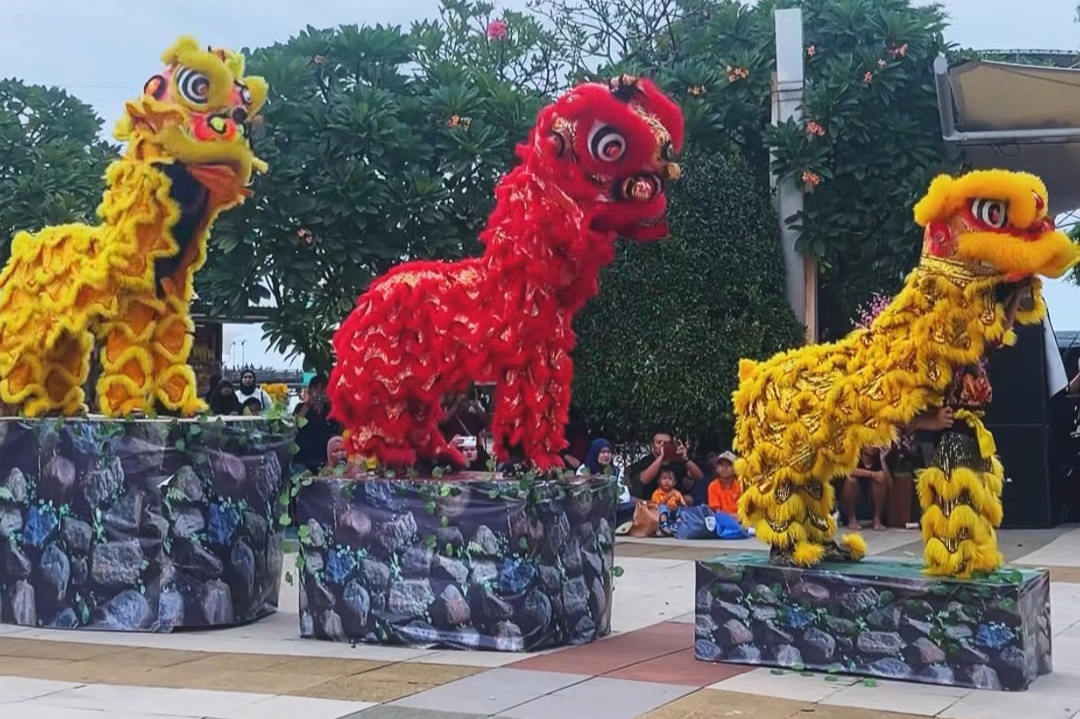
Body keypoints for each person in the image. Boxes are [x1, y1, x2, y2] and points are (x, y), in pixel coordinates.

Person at [626, 431, 703, 500]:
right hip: (651, 502)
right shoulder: (646, 461)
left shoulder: (677, 461)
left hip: (674, 502)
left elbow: (699, 476)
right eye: (659, 442)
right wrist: (661, 457)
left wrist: (685, 458)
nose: (662, 445)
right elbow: (644, 480)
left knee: (688, 499)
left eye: (666, 443)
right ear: (653, 445)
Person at [293, 375, 339, 474]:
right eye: (316, 389)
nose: (319, 393)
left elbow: (336, 433)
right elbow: (295, 426)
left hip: (324, 461)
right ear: (309, 391)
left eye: (323, 389)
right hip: (302, 460)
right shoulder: (300, 407)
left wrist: (330, 405)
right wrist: (308, 405)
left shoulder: (331, 410)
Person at [842, 446, 892, 531]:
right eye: (869, 443)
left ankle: (877, 519)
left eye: (875, 443)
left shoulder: (880, 457)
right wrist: (872, 474)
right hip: (855, 497)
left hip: (873, 498)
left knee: (881, 478)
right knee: (851, 481)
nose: (872, 446)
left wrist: (883, 460)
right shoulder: (854, 454)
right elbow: (848, 471)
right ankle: (852, 519)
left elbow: (890, 485)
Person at [651, 466, 691, 535]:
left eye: (670, 479)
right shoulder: (656, 493)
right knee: (662, 507)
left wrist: (679, 503)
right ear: (659, 481)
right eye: (664, 478)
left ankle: (677, 526)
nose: (667, 481)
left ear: (674, 482)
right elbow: (656, 506)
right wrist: (668, 496)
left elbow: (684, 506)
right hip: (661, 517)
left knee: (681, 510)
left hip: (673, 515)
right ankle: (664, 525)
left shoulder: (677, 493)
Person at [707, 451, 742, 516]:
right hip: (721, 520)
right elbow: (716, 511)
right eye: (721, 465)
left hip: (741, 519)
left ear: (735, 469)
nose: (724, 468)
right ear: (717, 468)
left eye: (728, 465)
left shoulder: (741, 485)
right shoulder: (713, 486)